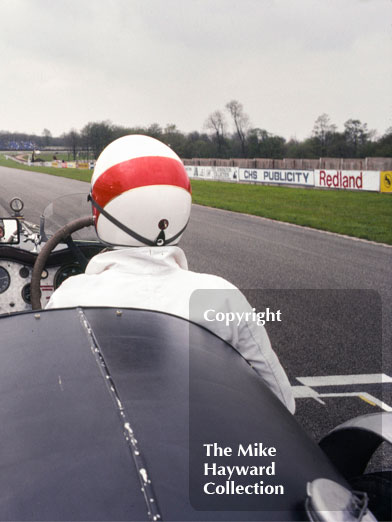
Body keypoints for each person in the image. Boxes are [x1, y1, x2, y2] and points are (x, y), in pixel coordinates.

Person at [46, 135, 295, 413]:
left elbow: (46, 392)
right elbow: (283, 403)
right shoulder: (222, 296)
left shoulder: (69, 296)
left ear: (99, 211)